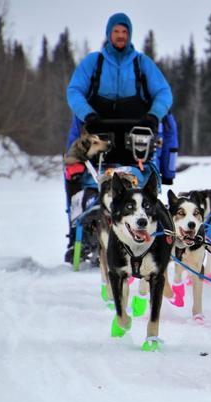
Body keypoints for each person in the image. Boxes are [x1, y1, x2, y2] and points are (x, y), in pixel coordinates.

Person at [63, 12, 174, 262]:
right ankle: (76, 234)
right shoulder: (95, 62)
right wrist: (87, 114)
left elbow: (164, 93)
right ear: (109, 34)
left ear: (130, 35)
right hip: (98, 134)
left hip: (136, 139)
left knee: (145, 173)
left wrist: (153, 116)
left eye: (124, 32)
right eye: (116, 32)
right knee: (73, 170)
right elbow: (75, 91)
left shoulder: (141, 63)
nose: (120, 36)